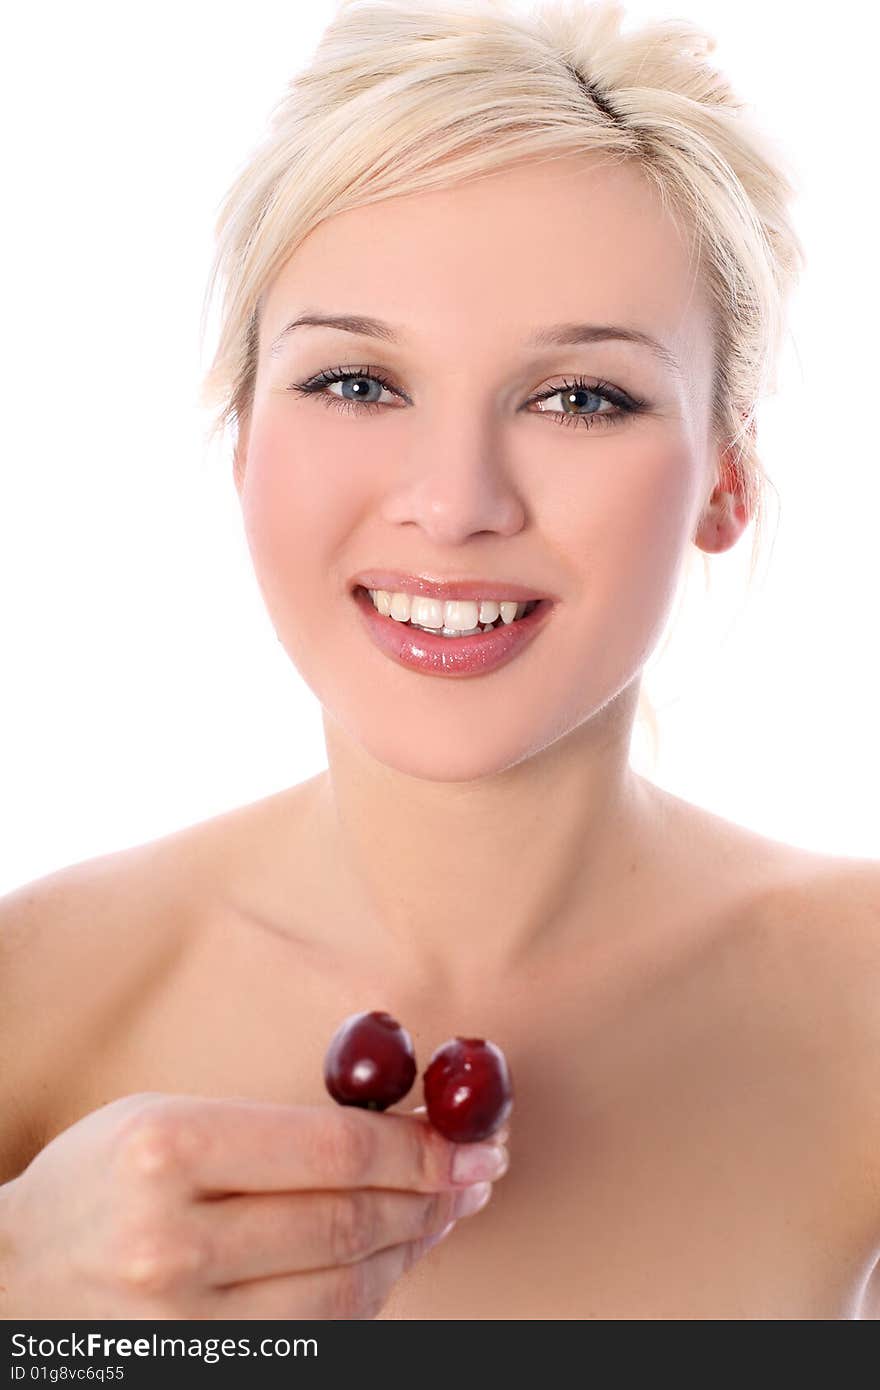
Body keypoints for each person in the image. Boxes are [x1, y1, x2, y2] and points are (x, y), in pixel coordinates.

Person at [1, 0, 878, 1322]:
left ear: (726, 480)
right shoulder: (40, 983)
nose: (455, 502)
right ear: (244, 436)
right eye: (357, 380)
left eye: (582, 397)